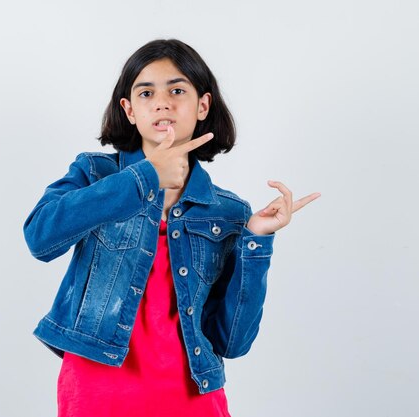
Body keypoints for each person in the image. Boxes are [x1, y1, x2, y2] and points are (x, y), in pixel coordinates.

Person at [23, 39, 320, 417]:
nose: (162, 102)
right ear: (129, 110)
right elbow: (39, 238)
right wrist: (145, 177)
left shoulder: (229, 212)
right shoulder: (94, 174)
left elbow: (233, 341)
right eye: (146, 92)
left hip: (192, 397)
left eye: (177, 90)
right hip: (97, 393)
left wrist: (257, 240)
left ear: (203, 106)